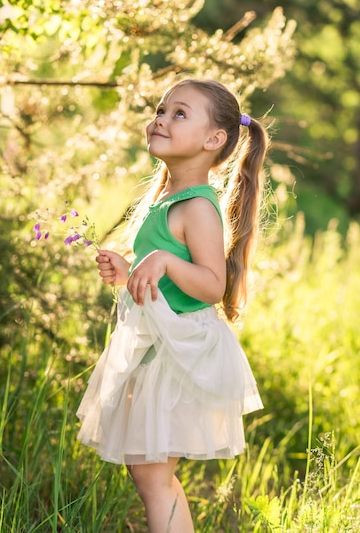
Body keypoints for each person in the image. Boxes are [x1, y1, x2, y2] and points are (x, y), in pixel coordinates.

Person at [76, 78, 269, 532]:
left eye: (179, 113)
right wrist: (131, 274)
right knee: (149, 472)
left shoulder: (198, 207)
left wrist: (160, 259)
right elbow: (169, 281)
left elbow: (209, 284)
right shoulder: (168, 198)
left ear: (213, 139)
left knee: (153, 473)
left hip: (181, 354)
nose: (161, 118)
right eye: (161, 109)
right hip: (162, 344)